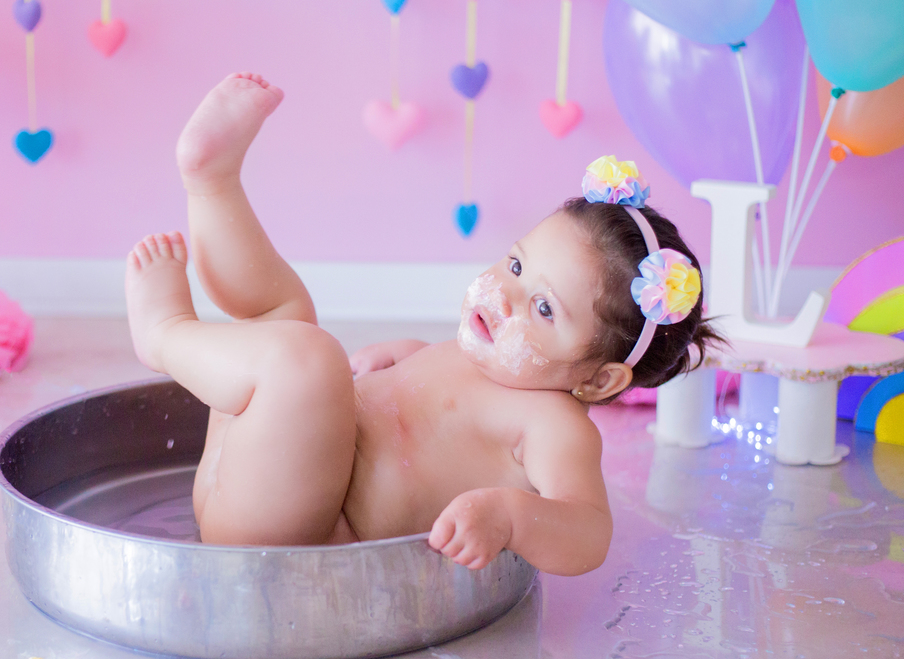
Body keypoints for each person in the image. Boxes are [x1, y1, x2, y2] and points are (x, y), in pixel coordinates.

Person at [124, 73, 719, 576]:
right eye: (516, 265)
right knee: (283, 316)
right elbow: (434, 406)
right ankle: (213, 184)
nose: (506, 294)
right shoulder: (486, 358)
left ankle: (165, 333)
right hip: (254, 474)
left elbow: (588, 531)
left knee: (305, 355)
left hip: (290, 540)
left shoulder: (555, 425)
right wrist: (398, 358)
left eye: (543, 309)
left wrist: (510, 517)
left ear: (600, 379)